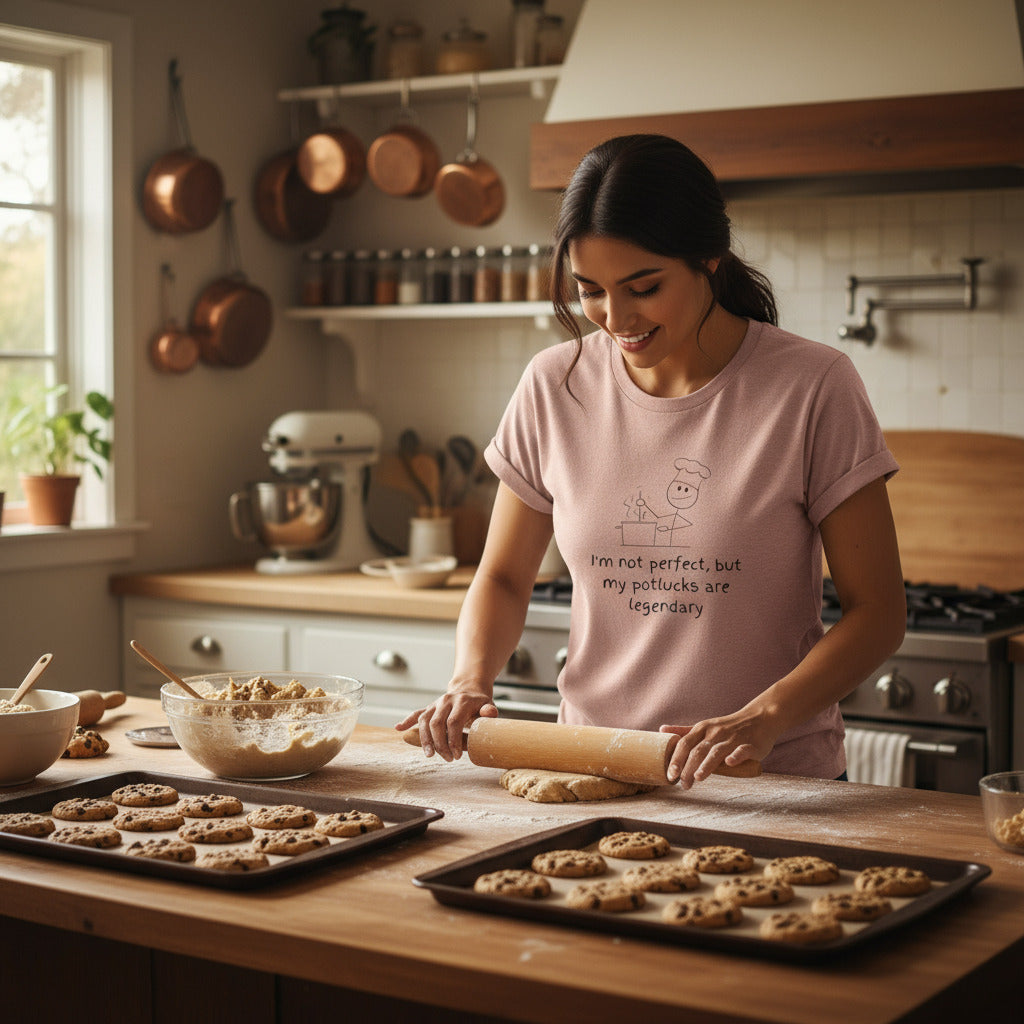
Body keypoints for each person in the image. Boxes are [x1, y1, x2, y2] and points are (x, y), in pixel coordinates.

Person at [396, 134, 906, 787]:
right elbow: (501, 578)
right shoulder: (555, 385)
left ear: (709, 258)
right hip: (590, 768)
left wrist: (763, 717)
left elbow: (879, 613)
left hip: (769, 778)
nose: (616, 318)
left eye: (643, 287)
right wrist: (469, 680)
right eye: (591, 291)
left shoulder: (813, 387)